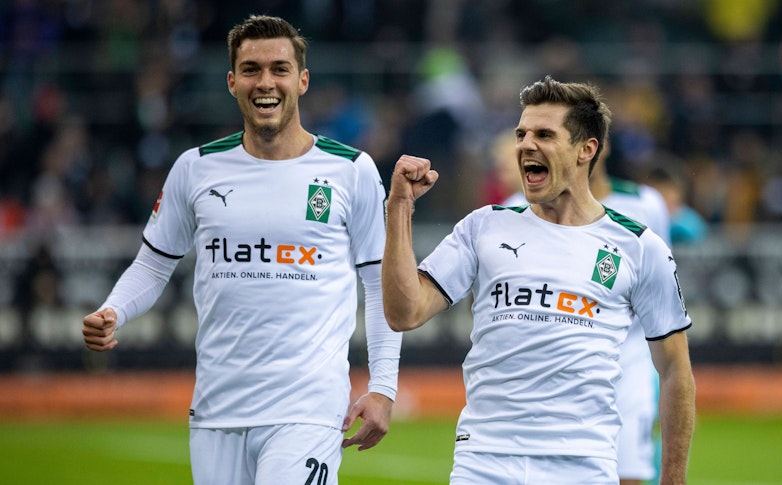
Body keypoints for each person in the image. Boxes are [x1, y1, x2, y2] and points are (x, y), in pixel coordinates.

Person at [81, 15, 401, 485]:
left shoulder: (351, 170)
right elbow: (152, 264)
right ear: (232, 82)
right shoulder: (195, 168)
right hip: (217, 410)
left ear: (303, 80)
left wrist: (384, 387)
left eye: (279, 69)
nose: (265, 82)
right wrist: (114, 310)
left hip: (308, 409)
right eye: (251, 70)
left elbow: (380, 285)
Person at [382, 76, 695, 484]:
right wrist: (399, 208)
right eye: (521, 134)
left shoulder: (639, 246)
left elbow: (675, 371)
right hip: (484, 461)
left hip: (582, 465)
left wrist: (673, 479)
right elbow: (404, 312)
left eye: (544, 135)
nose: (526, 145)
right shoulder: (484, 226)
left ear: (587, 150)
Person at [590, 143, 672, 485]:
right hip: (562, 360)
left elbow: (659, 281)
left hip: (629, 357)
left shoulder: (645, 204)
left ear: (600, 144)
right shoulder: (519, 207)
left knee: (629, 473)